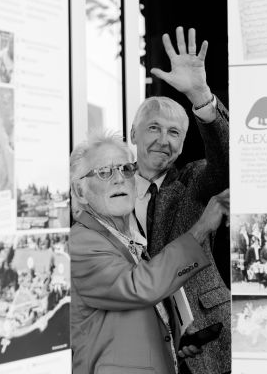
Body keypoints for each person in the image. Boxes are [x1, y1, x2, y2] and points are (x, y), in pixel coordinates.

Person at [69, 133, 229, 374]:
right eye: (104, 172)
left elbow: (130, 318)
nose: (119, 179)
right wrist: (201, 229)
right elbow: (139, 287)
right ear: (80, 191)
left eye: (125, 169)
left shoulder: (127, 235)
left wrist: (175, 335)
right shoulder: (80, 242)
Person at [130, 27, 230, 374]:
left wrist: (201, 95)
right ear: (134, 134)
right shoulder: (107, 188)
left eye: (174, 133)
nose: (163, 140)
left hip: (205, 335)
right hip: (140, 336)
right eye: (154, 128)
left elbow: (225, 161)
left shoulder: (194, 181)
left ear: (184, 144)